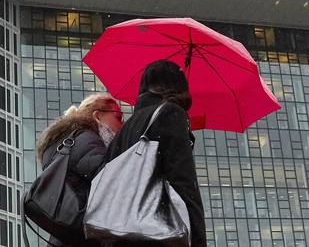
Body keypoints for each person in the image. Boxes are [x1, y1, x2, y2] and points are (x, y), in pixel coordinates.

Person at [105, 59, 206, 246]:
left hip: (121, 234)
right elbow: (183, 184)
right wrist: (198, 240)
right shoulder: (170, 113)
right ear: (177, 86)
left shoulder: (125, 128)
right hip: (157, 233)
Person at [36, 94, 124, 247]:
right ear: (97, 115)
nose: (122, 125)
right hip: (84, 233)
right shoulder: (85, 138)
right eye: (118, 117)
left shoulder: (61, 142)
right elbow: (109, 179)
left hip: (66, 236)